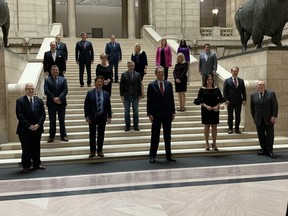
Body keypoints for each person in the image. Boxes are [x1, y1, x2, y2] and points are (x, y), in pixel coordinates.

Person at [147, 66, 176, 164]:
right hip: (156, 114)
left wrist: (173, 111)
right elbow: (149, 101)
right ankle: (152, 155)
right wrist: (149, 113)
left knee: (167, 136)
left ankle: (169, 155)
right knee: (155, 135)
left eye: (162, 72)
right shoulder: (151, 85)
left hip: (167, 114)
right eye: (159, 72)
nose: (161, 74)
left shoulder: (169, 84)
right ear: (156, 73)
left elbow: (171, 99)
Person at [16, 83, 46, 173]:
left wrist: (38, 125)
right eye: (29, 89)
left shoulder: (39, 100)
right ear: (25, 90)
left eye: (32, 89)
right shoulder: (20, 101)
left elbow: (43, 114)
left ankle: (37, 164)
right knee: (26, 148)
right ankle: (26, 166)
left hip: (37, 129)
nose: (31, 90)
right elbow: (19, 116)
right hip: (24, 130)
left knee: (36, 147)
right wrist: (29, 126)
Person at [84, 76, 112, 158]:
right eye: (98, 81)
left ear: (103, 84)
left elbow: (108, 106)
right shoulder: (90, 93)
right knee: (92, 135)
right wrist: (86, 116)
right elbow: (86, 106)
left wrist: (109, 116)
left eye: (101, 82)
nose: (99, 83)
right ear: (95, 83)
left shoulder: (106, 94)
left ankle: (100, 150)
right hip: (92, 116)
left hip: (102, 116)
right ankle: (92, 151)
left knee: (101, 134)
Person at [194, 74, 223, 151]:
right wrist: (206, 106)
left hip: (215, 110)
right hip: (205, 110)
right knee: (206, 127)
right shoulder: (202, 89)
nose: (210, 81)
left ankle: (214, 143)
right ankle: (207, 143)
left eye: (211, 79)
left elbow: (221, 99)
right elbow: (198, 100)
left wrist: (217, 106)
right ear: (205, 81)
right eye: (208, 80)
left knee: (214, 127)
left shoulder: (216, 89)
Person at [250, 80, 278, 159]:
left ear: (264, 86)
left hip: (269, 118)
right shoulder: (253, 95)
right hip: (258, 119)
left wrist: (274, 116)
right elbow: (252, 108)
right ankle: (264, 150)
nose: (261, 86)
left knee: (270, 135)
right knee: (261, 135)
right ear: (256, 86)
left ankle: (270, 151)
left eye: (262, 84)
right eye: (259, 85)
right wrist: (254, 117)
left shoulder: (271, 93)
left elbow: (275, 106)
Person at [44, 65, 69, 142]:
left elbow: (65, 90)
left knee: (62, 120)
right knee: (52, 120)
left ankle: (63, 135)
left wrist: (59, 98)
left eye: (56, 69)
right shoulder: (47, 80)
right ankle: (51, 136)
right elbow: (46, 91)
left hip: (61, 103)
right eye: (54, 70)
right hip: (51, 103)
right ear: (51, 71)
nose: (55, 71)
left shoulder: (63, 79)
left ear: (58, 71)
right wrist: (54, 98)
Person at [223, 66, 247, 134]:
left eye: (236, 71)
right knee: (230, 115)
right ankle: (230, 128)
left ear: (238, 72)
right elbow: (225, 91)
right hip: (229, 101)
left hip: (238, 101)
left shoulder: (241, 81)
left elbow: (243, 91)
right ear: (231, 72)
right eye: (234, 71)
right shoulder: (227, 81)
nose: (235, 72)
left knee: (238, 115)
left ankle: (237, 129)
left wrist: (244, 99)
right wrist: (225, 100)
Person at [120, 61, 142, 131]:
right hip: (127, 96)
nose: (131, 67)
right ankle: (127, 126)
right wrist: (122, 95)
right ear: (127, 66)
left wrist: (140, 94)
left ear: (134, 66)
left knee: (135, 111)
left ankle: (136, 126)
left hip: (135, 96)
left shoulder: (138, 74)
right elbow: (121, 86)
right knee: (127, 112)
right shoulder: (124, 74)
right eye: (129, 66)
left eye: (132, 66)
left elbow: (139, 85)